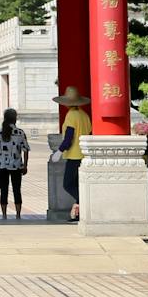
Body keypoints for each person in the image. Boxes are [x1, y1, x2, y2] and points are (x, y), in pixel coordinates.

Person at [53, 86, 90, 222]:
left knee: (68, 184)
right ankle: (80, 212)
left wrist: (59, 151)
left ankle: (84, 203)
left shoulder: (71, 116)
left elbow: (69, 137)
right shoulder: (84, 115)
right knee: (78, 184)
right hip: (85, 154)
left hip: (74, 155)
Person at [0, 107, 30, 220]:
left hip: (2, 165)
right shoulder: (20, 133)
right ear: (15, 119)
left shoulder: (0, 132)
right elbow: (26, 150)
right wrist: (25, 165)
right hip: (17, 165)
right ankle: (18, 213)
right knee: (17, 189)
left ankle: (4, 214)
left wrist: (2, 154)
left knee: (4, 189)